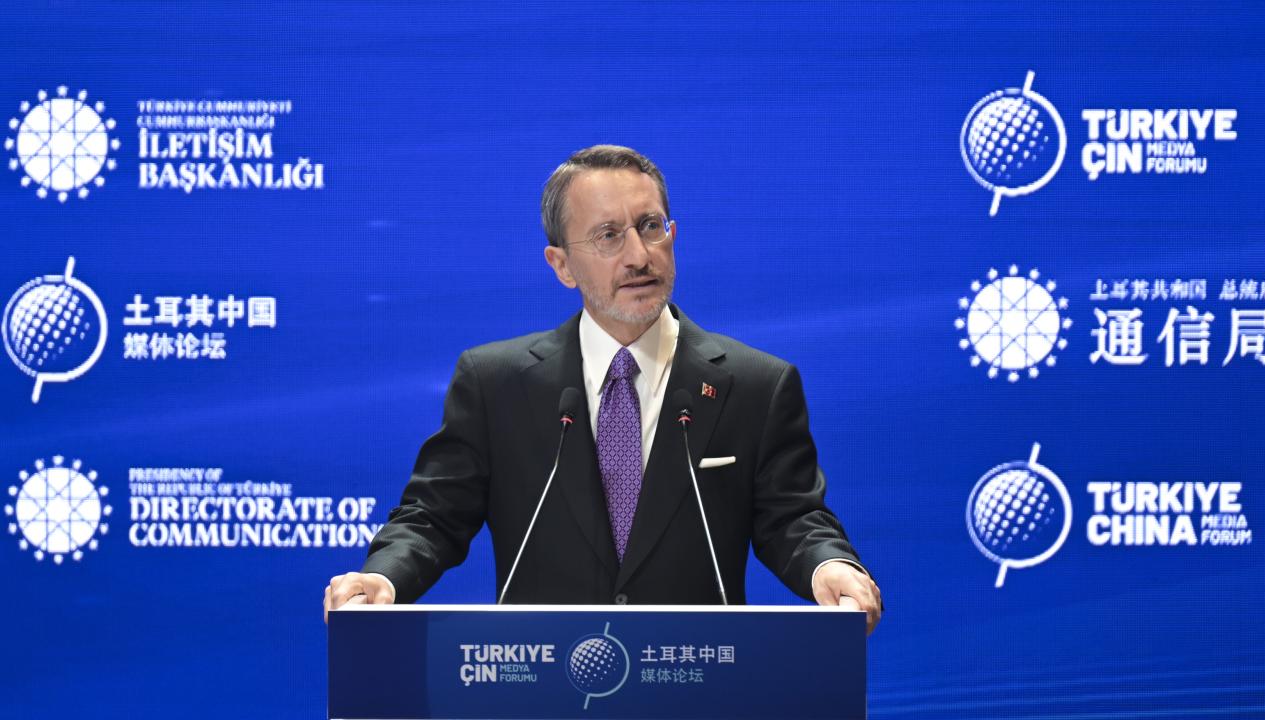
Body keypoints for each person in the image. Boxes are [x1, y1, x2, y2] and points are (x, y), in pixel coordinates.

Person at [324, 145, 882, 632]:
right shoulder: (496, 384)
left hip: (695, 679)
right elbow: (434, 516)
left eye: (651, 227)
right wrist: (383, 577)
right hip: (540, 685)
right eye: (609, 236)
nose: (639, 256)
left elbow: (793, 519)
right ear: (562, 265)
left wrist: (829, 566)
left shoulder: (756, 384)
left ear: (673, 236)